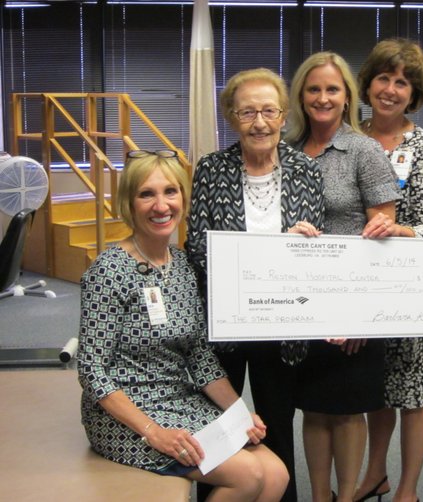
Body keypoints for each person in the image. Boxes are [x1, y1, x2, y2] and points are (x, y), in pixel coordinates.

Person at [77, 149, 289, 502]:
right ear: (129, 203)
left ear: (183, 199)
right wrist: (154, 432)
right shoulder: (109, 270)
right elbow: (91, 368)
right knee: (248, 476)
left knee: (278, 474)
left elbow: (199, 356)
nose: (161, 205)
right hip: (126, 415)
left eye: (170, 192)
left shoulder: (183, 266)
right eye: (147, 194)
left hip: (178, 400)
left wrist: (240, 414)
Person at [186, 68, 325, 502]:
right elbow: (197, 247)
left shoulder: (305, 170)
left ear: (284, 115)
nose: (259, 122)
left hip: (281, 323)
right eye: (248, 112)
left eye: (268, 110)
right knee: (219, 428)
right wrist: (268, 252)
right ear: (232, 116)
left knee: (277, 426)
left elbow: (314, 250)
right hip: (224, 321)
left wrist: (304, 245)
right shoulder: (211, 169)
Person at [284, 51, 402, 502]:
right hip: (302, 305)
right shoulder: (286, 150)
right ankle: (320, 497)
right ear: (300, 95)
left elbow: (384, 234)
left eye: (332, 89)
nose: (322, 97)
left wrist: (360, 315)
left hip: (353, 306)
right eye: (313, 89)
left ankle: (348, 496)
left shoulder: (365, 151)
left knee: (349, 411)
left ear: (348, 96)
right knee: (313, 410)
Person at [354, 39, 423, 502]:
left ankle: (407, 490)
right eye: (383, 78)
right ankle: (375, 473)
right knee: (372, 387)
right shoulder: (347, 136)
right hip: (353, 285)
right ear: (367, 83)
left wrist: (396, 229)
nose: (390, 90)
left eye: (402, 82)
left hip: (406, 284)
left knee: (409, 390)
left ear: (415, 93)